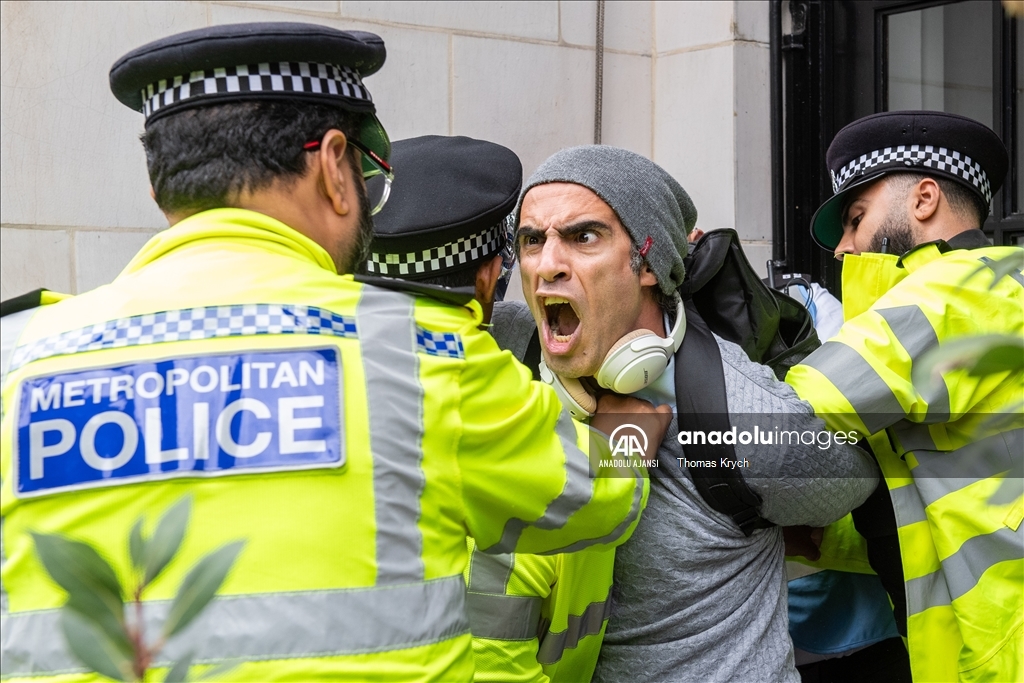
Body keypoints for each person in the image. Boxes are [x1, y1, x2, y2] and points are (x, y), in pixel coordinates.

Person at [0, 25, 650, 681]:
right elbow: (607, 497)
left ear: (161, 191)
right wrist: (627, 416)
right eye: (370, 179)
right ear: (336, 166)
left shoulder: (16, 357)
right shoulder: (415, 353)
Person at [513, 145, 879, 683]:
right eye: (531, 240)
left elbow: (853, 482)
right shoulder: (507, 362)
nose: (547, 265)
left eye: (582, 236)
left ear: (649, 262)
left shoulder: (741, 419)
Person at [366, 134, 645, 683]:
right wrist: (621, 428)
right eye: (532, 243)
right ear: (491, 274)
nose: (549, 267)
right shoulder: (481, 398)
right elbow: (612, 498)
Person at [784, 110, 1023, 682]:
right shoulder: (998, 286)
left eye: (856, 219)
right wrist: (815, 525)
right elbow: (931, 503)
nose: (842, 249)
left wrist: (630, 442)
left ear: (923, 198)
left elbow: (786, 427)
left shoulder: (956, 291)